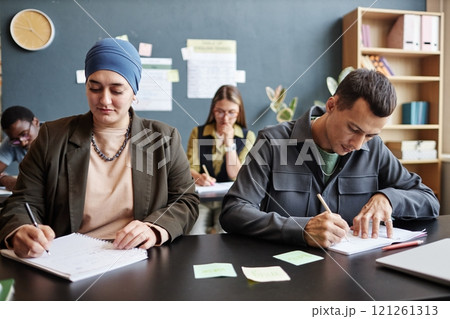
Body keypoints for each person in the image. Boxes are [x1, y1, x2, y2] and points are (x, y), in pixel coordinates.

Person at [0, 38, 199, 258]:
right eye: (95, 88)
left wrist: (153, 228)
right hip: (69, 261)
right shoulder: (52, 137)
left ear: (134, 92)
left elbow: (186, 201)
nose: (104, 100)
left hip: (139, 257)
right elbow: (22, 202)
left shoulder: (162, 138)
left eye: (117, 90)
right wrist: (21, 229)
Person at [220, 69, 439, 248]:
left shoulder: (375, 149)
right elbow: (234, 211)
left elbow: (429, 200)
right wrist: (300, 229)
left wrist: (389, 198)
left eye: (371, 135)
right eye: (353, 129)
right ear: (332, 106)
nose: (358, 144)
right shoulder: (272, 141)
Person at [187, 85, 255, 234]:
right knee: (194, 234)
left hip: (230, 200)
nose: (225, 118)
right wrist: (199, 177)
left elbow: (235, 174)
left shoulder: (247, 136)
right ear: (213, 110)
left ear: (239, 112)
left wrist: (229, 142)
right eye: (220, 112)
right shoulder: (198, 133)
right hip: (201, 200)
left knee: (224, 234)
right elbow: (190, 168)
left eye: (231, 113)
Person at [0, 106, 40, 190]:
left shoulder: (55, 138)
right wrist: (5, 179)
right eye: (15, 140)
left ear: (36, 122)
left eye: (25, 134)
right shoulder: (11, 143)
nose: (22, 143)